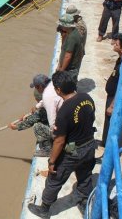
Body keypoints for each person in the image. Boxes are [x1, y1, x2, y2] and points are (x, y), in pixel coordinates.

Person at [28, 71, 96, 217]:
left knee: (54, 179)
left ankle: (44, 209)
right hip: (90, 145)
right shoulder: (87, 98)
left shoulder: (64, 111)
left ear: (58, 90)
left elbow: (59, 141)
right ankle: (84, 200)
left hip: (73, 151)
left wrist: (52, 162)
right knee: (85, 174)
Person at [101, 33, 122, 147]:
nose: (114, 44)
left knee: (110, 121)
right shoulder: (120, 59)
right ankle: (105, 143)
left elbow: (121, 86)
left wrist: (112, 105)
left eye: (116, 44)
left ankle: (108, 146)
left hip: (114, 98)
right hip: (111, 94)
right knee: (108, 121)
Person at [9, 89, 52, 157]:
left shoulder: (41, 110)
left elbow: (30, 122)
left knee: (37, 126)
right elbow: (36, 116)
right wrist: (26, 117)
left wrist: (15, 127)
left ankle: (48, 150)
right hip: (61, 128)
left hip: (57, 132)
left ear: (36, 98)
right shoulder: (50, 101)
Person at [56, 14, 84, 83]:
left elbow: (68, 56)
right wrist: (59, 64)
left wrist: (61, 71)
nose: (61, 26)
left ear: (65, 26)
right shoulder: (72, 32)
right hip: (68, 68)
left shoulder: (72, 38)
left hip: (70, 69)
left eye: (62, 25)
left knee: (68, 87)